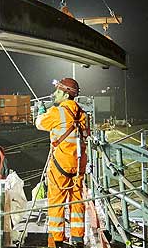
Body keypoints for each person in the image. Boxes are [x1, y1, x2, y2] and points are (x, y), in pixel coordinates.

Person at [35, 78, 89, 248]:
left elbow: (39, 124)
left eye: (58, 91)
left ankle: (58, 241)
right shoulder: (82, 114)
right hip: (79, 166)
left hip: (60, 166)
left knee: (57, 203)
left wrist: (41, 112)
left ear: (66, 94)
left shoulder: (56, 112)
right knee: (77, 201)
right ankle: (78, 239)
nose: (54, 94)